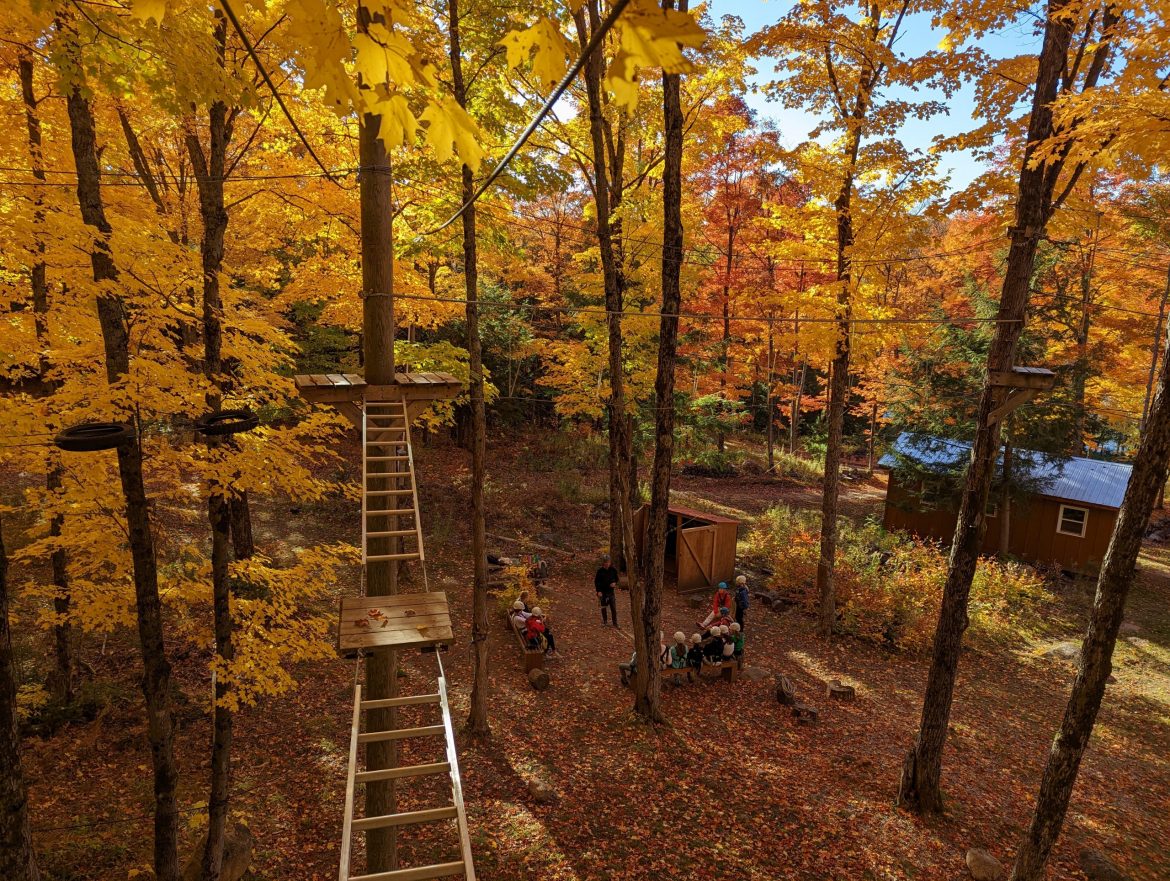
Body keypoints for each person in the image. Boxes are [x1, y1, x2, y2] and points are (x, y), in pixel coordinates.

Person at [594, 553, 620, 627]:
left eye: (608, 562)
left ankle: (615, 623)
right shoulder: (600, 571)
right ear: (603, 563)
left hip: (611, 592)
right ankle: (605, 622)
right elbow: (596, 582)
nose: (606, 564)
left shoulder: (613, 570)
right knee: (604, 608)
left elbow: (617, 579)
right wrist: (598, 591)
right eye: (605, 562)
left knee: (613, 608)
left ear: (610, 562)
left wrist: (614, 583)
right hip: (602, 592)